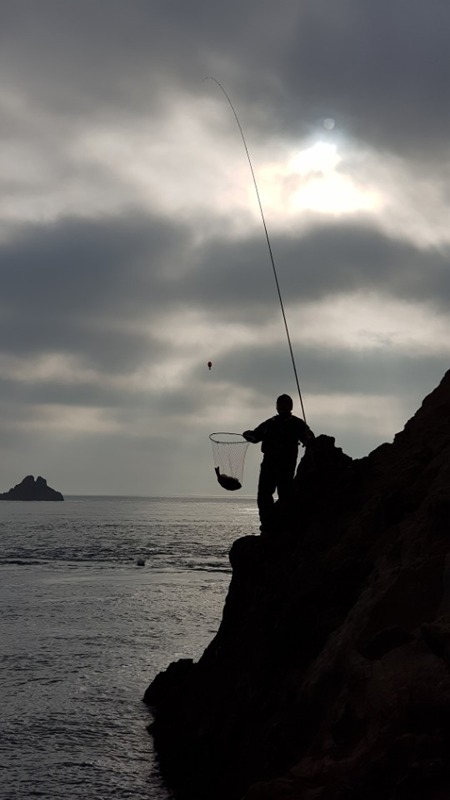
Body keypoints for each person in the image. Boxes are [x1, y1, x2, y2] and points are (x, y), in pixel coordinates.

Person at [243, 394, 314, 534]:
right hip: (279, 464)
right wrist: (248, 434)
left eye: (283, 404)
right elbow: (255, 436)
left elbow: (255, 437)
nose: (282, 407)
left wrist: (248, 434)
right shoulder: (293, 423)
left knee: (271, 494)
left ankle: (271, 525)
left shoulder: (274, 423)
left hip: (278, 464)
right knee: (277, 494)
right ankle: (274, 525)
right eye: (281, 404)